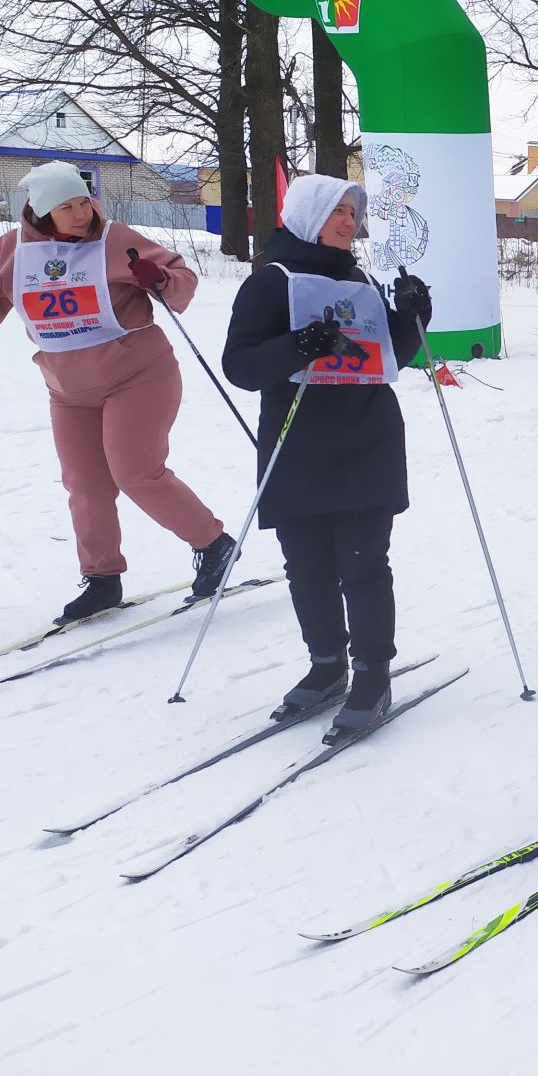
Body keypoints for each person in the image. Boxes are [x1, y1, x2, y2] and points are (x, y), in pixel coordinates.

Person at [0, 161, 233, 625]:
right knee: (85, 485)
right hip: (67, 389)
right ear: (40, 211)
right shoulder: (10, 250)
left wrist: (158, 279)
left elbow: (181, 280)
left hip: (139, 376)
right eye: (67, 207)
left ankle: (214, 545)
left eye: (82, 202)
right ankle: (101, 579)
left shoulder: (113, 238)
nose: (81, 213)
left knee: (136, 472)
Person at [221, 174, 429, 737]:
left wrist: (413, 317)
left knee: (362, 562)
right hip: (298, 444)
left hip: (367, 438)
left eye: (352, 212)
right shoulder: (270, 283)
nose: (348, 221)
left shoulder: (360, 279)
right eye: (337, 211)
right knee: (308, 567)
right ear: (308, 214)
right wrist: (297, 346)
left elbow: (390, 358)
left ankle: (372, 672)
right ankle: (327, 663)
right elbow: (240, 366)